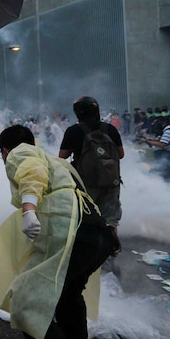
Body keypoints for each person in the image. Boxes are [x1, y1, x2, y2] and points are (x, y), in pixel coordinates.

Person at [0, 125, 116, 339]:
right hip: (97, 235)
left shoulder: (22, 153)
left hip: (71, 233)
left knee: (25, 305)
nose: (5, 158)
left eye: (2, 154)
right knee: (68, 299)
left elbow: (31, 173)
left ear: (6, 150)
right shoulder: (58, 163)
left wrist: (28, 209)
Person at [58, 97, 124, 260]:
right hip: (111, 182)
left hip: (85, 184)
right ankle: (110, 251)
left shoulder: (74, 131)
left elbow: (62, 157)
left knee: (85, 217)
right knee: (110, 219)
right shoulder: (110, 129)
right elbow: (120, 154)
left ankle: (86, 253)